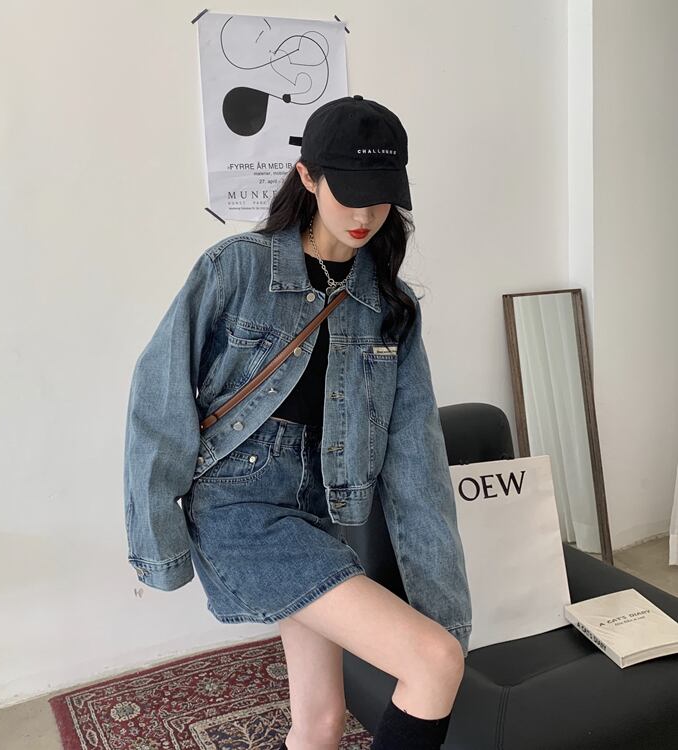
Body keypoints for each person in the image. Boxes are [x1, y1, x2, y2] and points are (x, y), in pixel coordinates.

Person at [123, 95, 472, 750]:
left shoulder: (388, 305)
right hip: (238, 508)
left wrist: (443, 605)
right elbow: (157, 403)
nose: (365, 216)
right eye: (349, 194)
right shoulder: (236, 269)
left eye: (380, 197)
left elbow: (415, 462)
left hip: (319, 514)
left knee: (321, 722)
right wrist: (161, 547)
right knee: (433, 662)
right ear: (307, 176)